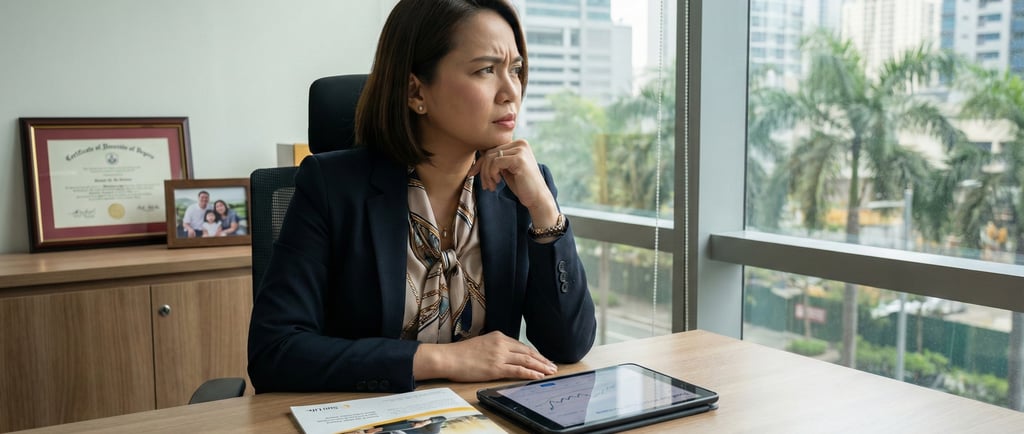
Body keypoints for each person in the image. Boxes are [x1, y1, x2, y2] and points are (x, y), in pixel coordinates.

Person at [248, 0, 596, 394]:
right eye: (486, 70)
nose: (511, 91)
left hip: (482, 417)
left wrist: (545, 212)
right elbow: (274, 351)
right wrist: (444, 360)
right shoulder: (331, 186)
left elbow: (569, 346)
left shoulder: (522, 188)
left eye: (515, 69)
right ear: (417, 90)